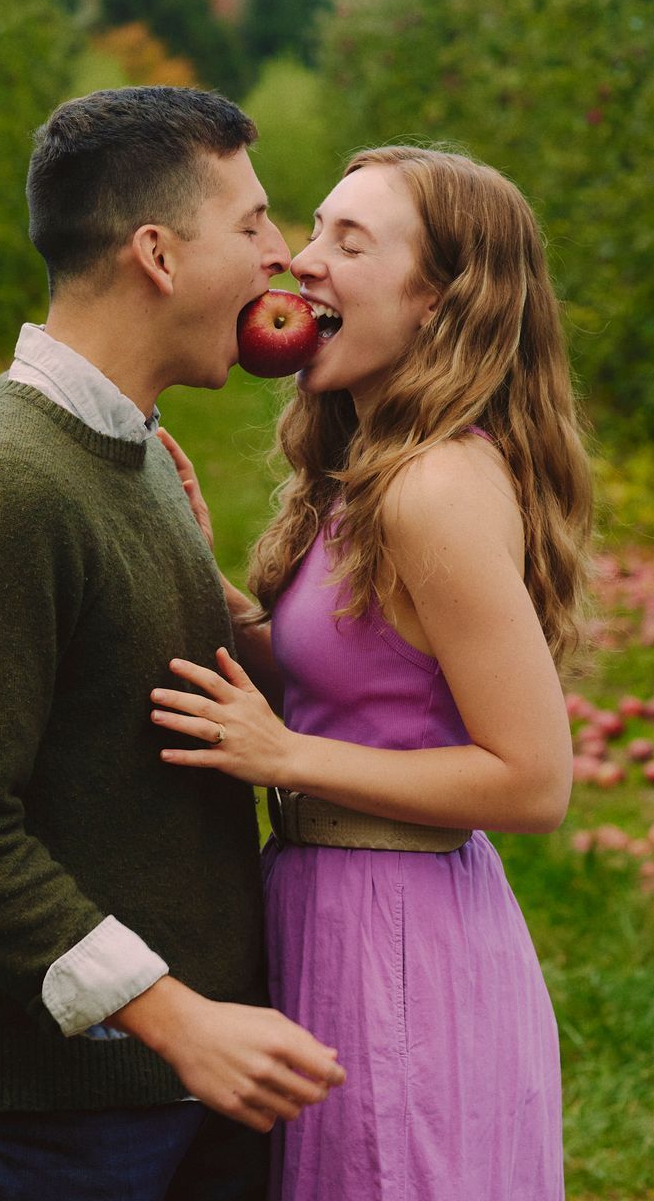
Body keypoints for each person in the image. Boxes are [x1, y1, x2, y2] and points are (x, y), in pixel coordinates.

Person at [0, 86, 346, 1201]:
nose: (282, 256)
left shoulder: (124, 448)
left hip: (175, 1076)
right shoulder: (5, 489)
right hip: (62, 1109)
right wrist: (174, 1018)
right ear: (157, 255)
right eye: (252, 224)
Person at [151, 145, 592, 1198]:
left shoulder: (432, 489)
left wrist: (286, 754)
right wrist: (211, 586)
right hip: (341, 914)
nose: (301, 264)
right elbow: (366, 686)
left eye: (349, 243)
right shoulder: (378, 472)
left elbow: (534, 780)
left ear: (441, 302)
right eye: (313, 232)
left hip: (402, 944)